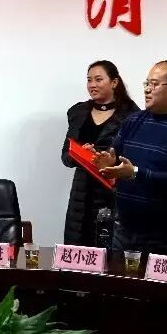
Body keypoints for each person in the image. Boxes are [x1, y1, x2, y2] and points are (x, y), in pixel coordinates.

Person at [95, 60, 167, 258]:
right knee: (116, 278)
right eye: (146, 83)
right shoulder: (134, 120)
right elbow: (118, 160)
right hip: (123, 229)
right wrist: (107, 162)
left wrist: (135, 173)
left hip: (166, 238)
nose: (147, 89)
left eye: (155, 84)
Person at [62, 60, 138, 247]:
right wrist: (81, 154)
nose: (92, 85)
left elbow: (135, 161)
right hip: (80, 195)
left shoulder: (132, 115)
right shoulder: (78, 112)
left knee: (109, 251)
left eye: (98, 79)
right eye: (89, 80)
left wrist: (107, 161)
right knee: (77, 251)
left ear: (114, 82)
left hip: (112, 193)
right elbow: (65, 157)